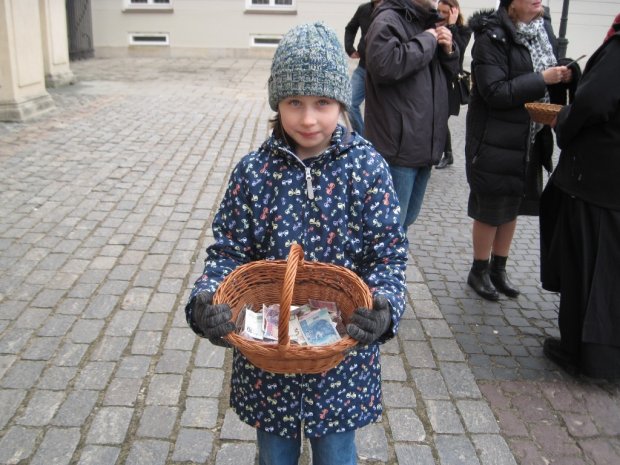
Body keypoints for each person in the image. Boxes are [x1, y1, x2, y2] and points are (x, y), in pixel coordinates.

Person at [184, 22, 408, 465]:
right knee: (274, 455)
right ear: (277, 104)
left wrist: (385, 307)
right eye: (294, 103)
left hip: (341, 358)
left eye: (322, 103)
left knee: (337, 454)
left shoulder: (367, 168)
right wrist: (204, 300)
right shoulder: (252, 173)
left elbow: (387, 254)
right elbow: (228, 251)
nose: (308, 119)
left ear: (341, 102)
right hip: (269, 360)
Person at [464, 0, 577, 301]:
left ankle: (499, 269)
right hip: (494, 138)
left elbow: (546, 66)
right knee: (490, 208)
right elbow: (494, 91)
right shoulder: (492, 36)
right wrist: (542, 79)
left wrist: (566, 72)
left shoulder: (543, 29)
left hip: (529, 136)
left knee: (514, 204)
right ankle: (479, 269)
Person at [540, 13, 620, 378]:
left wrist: (565, 121)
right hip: (609, 184)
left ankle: (579, 352)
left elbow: (593, 102)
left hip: (596, 180)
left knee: (584, 269)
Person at [364, 0, 459, 231]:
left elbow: (445, 77)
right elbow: (385, 65)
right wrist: (428, 40)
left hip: (423, 145)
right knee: (390, 228)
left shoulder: (426, 21)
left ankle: (393, 265)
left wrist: (449, 52)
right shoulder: (387, 20)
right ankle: (386, 268)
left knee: (405, 222)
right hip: (399, 148)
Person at [435, 0, 472, 169]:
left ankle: (447, 154)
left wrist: (451, 27)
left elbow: (459, 49)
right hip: (437, 79)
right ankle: (446, 153)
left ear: (454, 12)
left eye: (445, 12)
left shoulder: (463, 30)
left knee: (441, 119)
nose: (441, 15)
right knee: (438, 118)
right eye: (439, 11)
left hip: (451, 83)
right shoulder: (434, 26)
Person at [344, 0, 383, 137]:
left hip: (384, 73)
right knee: (348, 103)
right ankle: (364, 140)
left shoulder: (394, 9)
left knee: (380, 112)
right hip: (363, 68)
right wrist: (350, 48)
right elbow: (350, 28)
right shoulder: (363, 9)